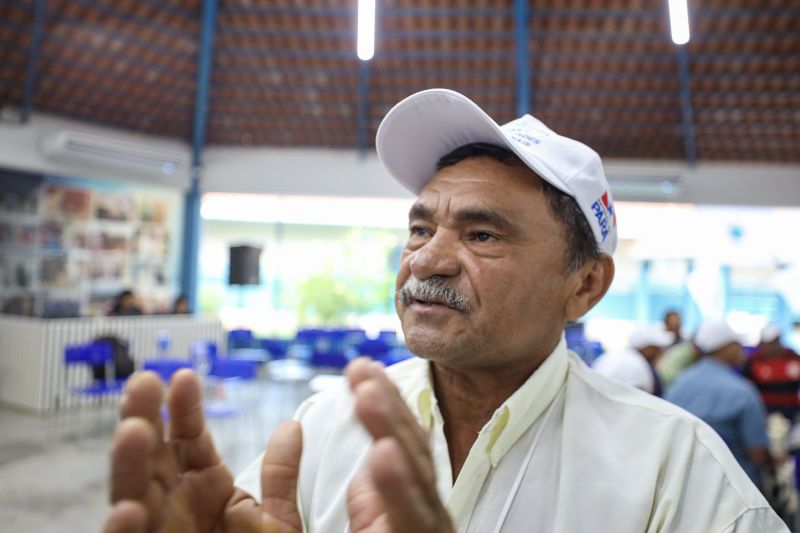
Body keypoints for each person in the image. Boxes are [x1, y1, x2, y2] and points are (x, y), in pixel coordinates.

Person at [104, 89, 786, 532]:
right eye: (421, 228)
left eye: (483, 233)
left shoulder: (683, 477)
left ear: (583, 286)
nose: (428, 259)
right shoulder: (323, 428)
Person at [666, 320, 773, 492]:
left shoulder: (677, 385)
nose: (742, 351)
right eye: (737, 345)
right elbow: (757, 453)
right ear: (725, 348)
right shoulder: (742, 391)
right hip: (735, 492)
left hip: (685, 488)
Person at [592, 325, 673, 396]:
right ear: (646, 347)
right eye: (657, 348)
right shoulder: (634, 365)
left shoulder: (619, 356)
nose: (659, 353)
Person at [743, 324, 800, 420]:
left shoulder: (794, 358)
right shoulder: (753, 361)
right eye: (767, 344)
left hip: (792, 410)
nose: (772, 347)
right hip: (764, 410)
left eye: (774, 342)